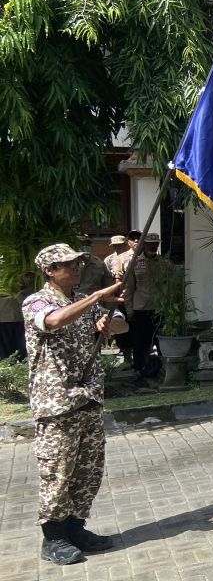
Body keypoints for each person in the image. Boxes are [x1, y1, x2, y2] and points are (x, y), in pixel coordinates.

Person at [22, 243, 123, 565]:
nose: (77, 269)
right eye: (68, 265)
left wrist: (108, 322)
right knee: (57, 471)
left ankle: (76, 528)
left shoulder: (82, 301)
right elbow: (53, 322)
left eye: (79, 264)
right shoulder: (36, 302)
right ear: (50, 271)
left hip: (89, 398)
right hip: (57, 403)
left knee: (87, 470)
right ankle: (53, 538)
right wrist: (96, 297)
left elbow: (122, 323)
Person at [123, 232, 165, 381]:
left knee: (161, 340)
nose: (153, 246)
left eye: (156, 244)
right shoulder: (134, 263)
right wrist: (129, 310)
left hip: (160, 308)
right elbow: (129, 289)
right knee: (140, 341)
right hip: (141, 308)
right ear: (144, 245)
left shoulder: (164, 263)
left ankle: (163, 368)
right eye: (150, 244)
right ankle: (138, 369)